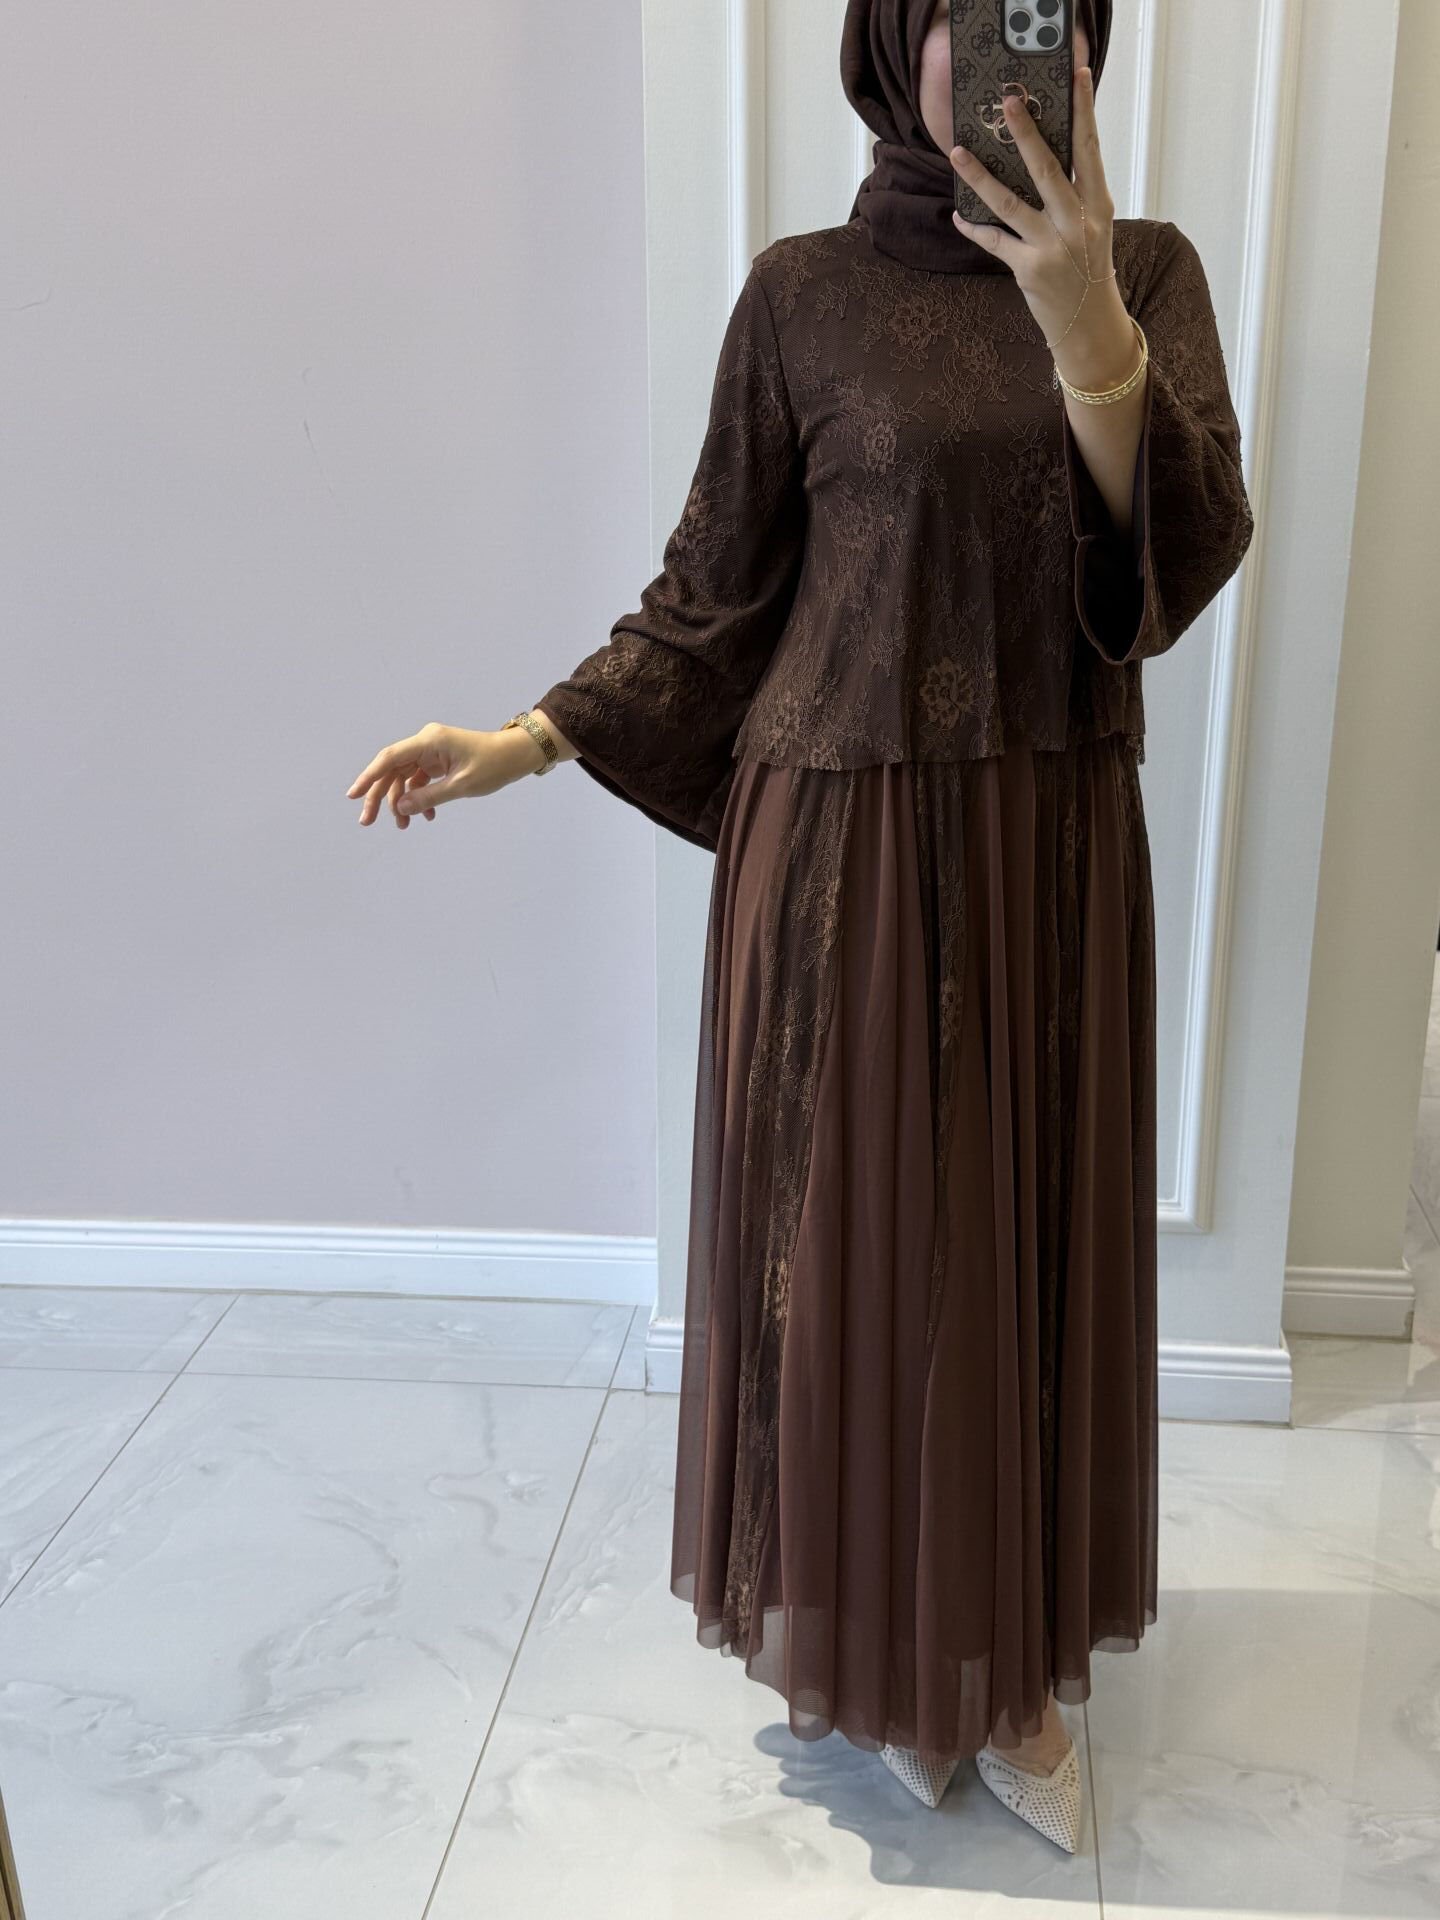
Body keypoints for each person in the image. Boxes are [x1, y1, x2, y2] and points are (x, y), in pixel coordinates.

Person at [345, 0, 1253, 1852]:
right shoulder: (799, 296)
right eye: (972, 14)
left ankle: (1007, 1664)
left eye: (1052, 17)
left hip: (1053, 839)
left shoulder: (1149, 269)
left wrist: (1087, 325)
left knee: (1022, 1250)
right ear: (896, 45)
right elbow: (715, 589)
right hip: (843, 851)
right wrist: (525, 740)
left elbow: (1175, 564)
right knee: (871, 1265)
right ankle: (905, 1656)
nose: (1019, 56)